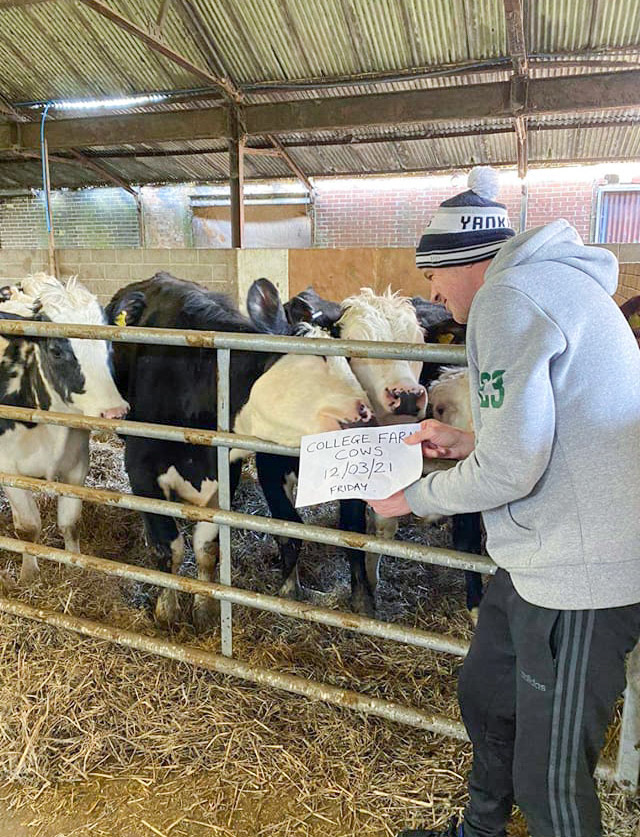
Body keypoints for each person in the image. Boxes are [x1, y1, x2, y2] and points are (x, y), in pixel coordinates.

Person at [369, 167, 640, 837]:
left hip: (582, 575)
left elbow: (516, 464)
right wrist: (465, 440)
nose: (431, 290)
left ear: (467, 264)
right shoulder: (546, 286)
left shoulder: (507, 297)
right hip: (533, 558)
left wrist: (416, 495)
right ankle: (479, 831)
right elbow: (546, 432)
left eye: (433, 273)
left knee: (549, 781)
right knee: (486, 697)